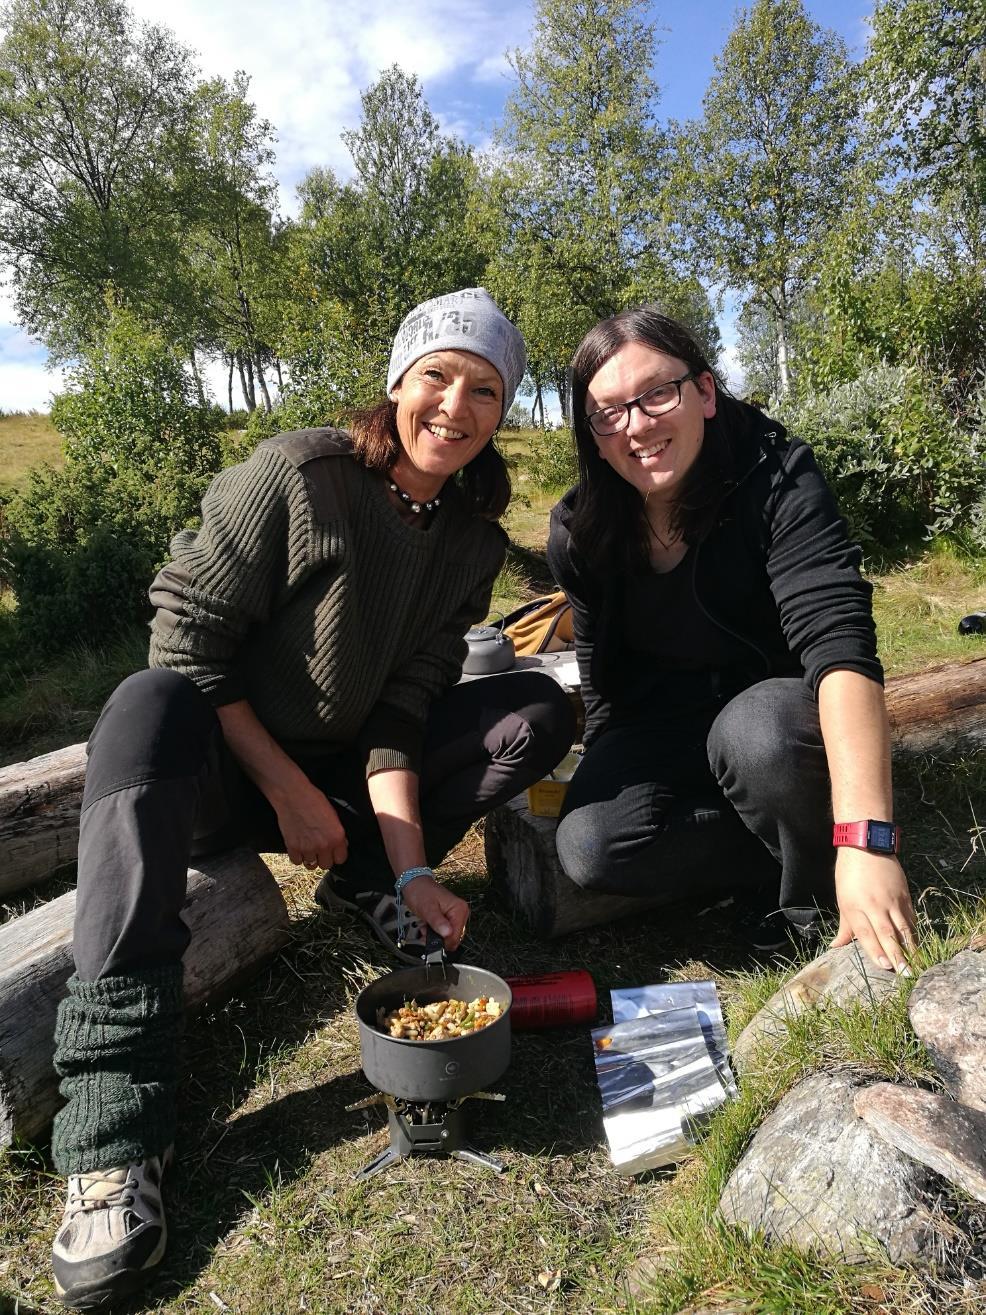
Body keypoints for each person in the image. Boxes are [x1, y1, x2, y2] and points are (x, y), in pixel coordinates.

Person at [49, 287, 576, 1309]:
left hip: (340, 778)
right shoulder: (295, 476)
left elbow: (404, 713)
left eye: (484, 389)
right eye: (437, 376)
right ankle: (113, 1132)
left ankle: (370, 884)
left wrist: (413, 864)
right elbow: (186, 642)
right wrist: (288, 793)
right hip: (219, 766)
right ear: (396, 382)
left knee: (528, 711)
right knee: (142, 701)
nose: (455, 407)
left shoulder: (469, 538)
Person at [546, 306, 917, 971]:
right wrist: (612, 773)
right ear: (593, 435)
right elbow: (600, 668)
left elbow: (841, 647)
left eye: (657, 393)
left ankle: (812, 892)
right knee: (590, 847)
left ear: (706, 392)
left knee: (756, 736)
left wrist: (870, 837)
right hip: (664, 721)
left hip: (773, 709)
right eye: (609, 412)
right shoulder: (582, 530)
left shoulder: (775, 475)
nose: (637, 425)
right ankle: (782, 845)